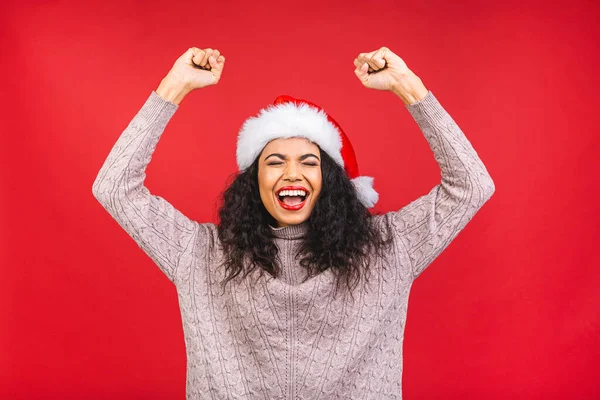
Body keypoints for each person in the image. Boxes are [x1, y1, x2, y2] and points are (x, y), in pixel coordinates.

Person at [92, 46, 495, 399]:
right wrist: (174, 86)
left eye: (308, 162)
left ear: (330, 181)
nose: (291, 173)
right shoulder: (200, 252)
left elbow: (472, 186)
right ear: (254, 182)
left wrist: (410, 89)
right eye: (274, 162)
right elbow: (114, 188)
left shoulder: (387, 247)